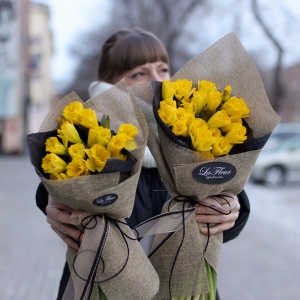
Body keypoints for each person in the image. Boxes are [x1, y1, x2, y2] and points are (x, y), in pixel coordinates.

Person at [35, 28, 250, 300]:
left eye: (162, 69)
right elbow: (57, 179)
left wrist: (232, 211)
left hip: (185, 286)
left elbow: (223, 212)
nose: (156, 80)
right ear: (108, 88)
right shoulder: (87, 140)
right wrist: (51, 198)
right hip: (103, 286)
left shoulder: (194, 137)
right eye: (138, 73)